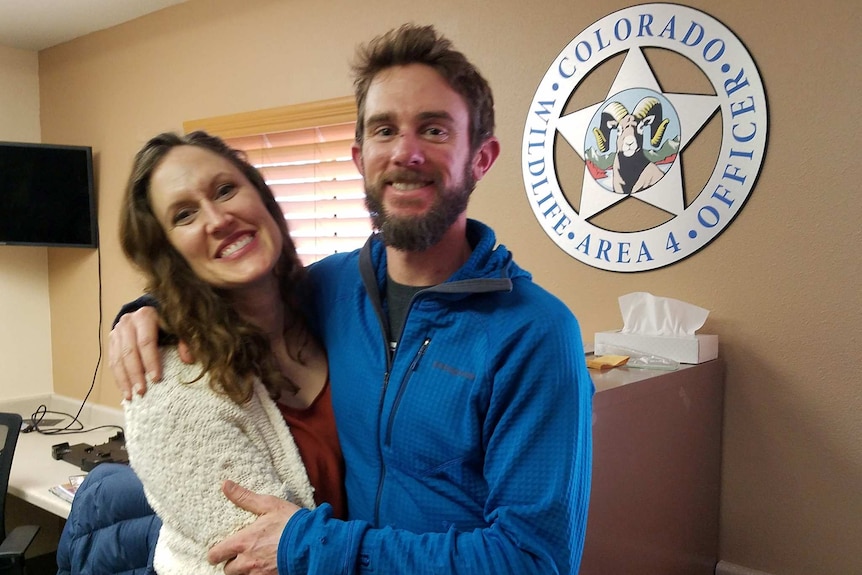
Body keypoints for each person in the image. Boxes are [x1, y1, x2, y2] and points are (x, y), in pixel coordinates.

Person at [109, 24, 593, 575]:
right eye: (386, 130)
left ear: (481, 158)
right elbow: (228, 284)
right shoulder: (336, 289)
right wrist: (146, 311)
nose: (406, 153)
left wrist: (316, 547)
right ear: (361, 156)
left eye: (433, 130)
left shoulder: (534, 333)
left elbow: (534, 561)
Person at [87, 131, 346, 574]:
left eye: (225, 190)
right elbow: (271, 559)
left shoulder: (337, 307)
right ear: (168, 252)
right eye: (184, 215)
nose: (217, 218)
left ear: (261, 197)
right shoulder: (170, 389)